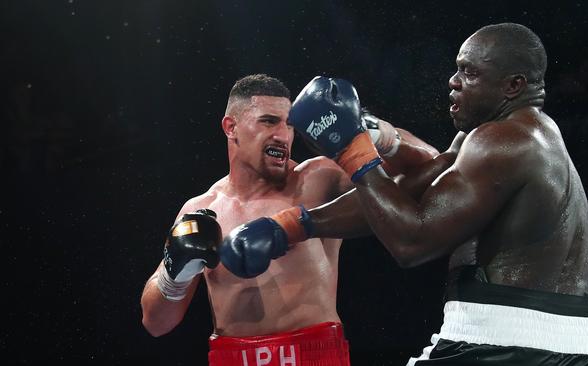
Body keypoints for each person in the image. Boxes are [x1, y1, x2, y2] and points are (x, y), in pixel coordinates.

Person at [225, 23, 588, 365]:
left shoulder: (505, 141)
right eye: (457, 68)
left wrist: (352, 150)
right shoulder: (514, 135)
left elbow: (412, 240)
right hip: (572, 342)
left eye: (470, 73)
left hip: (505, 339)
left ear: (513, 86)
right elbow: (408, 189)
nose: (454, 81)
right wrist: (296, 226)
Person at [140, 73, 438, 366]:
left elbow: (430, 168)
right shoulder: (202, 209)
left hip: (314, 356)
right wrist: (174, 274)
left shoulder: (318, 180)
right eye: (269, 121)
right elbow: (156, 323)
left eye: (289, 125)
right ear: (231, 127)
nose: (283, 136)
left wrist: (368, 131)